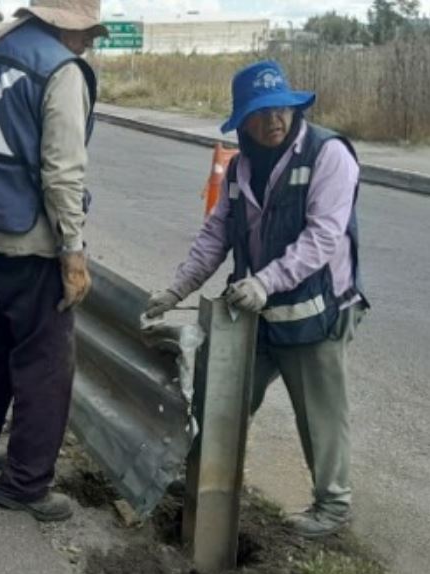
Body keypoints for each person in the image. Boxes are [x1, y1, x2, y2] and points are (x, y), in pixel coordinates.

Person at [145, 60, 368, 538]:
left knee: (320, 414)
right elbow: (216, 234)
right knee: (220, 397)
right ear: (243, 120)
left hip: (316, 312)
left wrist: (266, 281)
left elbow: (322, 237)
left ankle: (332, 508)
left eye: (281, 110)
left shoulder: (328, 155)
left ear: (293, 107)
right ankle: (206, 489)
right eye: (261, 113)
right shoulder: (240, 166)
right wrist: (176, 288)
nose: (274, 122)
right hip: (255, 311)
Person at [0, 0, 106, 522]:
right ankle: (26, 484)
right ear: (62, 25)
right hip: (27, 241)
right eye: (85, 33)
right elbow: (62, 173)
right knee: (45, 365)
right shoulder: (61, 71)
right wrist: (72, 254)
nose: (89, 43)